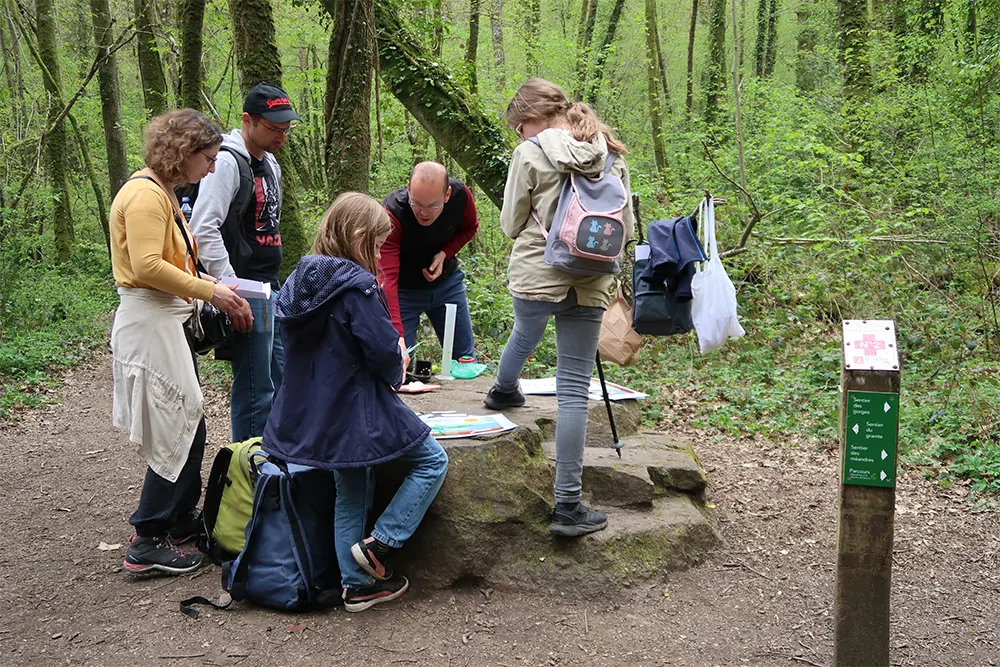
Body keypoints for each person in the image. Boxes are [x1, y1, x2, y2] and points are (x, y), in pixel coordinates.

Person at [262, 192, 449, 612]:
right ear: (360, 236)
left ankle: (356, 584)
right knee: (432, 460)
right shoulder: (356, 286)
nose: (381, 252)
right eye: (379, 243)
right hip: (355, 409)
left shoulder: (296, 282)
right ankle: (382, 544)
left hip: (310, 409)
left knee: (351, 484)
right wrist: (398, 362)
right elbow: (383, 355)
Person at [484, 78, 634, 538]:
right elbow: (625, 225)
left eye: (519, 125)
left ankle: (504, 388)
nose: (518, 134)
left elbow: (511, 224)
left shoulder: (529, 153)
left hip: (537, 269)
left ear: (535, 117)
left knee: (524, 334)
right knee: (573, 389)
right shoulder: (610, 150)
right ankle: (567, 506)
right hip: (591, 276)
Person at [110, 109, 254, 575]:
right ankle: (147, 536)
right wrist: (211, 290)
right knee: (176, 423)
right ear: (183, 154)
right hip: (150, 322)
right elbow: (149, 265)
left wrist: (212, 286)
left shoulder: (163, 193)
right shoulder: (143, 195)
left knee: (189, 420)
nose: (212, 168)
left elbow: (177, 261)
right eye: (208, 158)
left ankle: (176, 519)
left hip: (167, 320)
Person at [190, 82, 298, 442]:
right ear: (248, 121)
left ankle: (278, 459)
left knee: (282, 378)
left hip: (271, 288)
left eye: (286, 128)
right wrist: (231, 287)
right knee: (255, 388)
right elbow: (203, 228)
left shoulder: (270, 164)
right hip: (245, 289)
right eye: (273, 127)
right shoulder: (225, 163)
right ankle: (248, 472)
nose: (281, 135)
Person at [379, 161, 479, 362]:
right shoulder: (391, 214)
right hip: (403, 291)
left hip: (448, 285)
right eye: (417, 203)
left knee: (465, 360)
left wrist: (445, 253)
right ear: (408, 189)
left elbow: (470, 228)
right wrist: (397, 336)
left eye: (433, 205)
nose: (424, 212)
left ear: (447, 195)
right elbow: (386, 278)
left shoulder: (461, 196)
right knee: (398, 361)